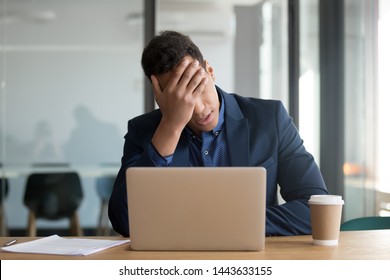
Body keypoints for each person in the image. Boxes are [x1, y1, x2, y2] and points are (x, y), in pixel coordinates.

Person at [108, 30, 328, 237]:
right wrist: (171, 127)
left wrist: (232, 222)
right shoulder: (144, 131)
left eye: (198, 88)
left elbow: (316, 208)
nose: (199, 109)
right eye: (181, 98)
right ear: (162, 98)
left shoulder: (270, 119)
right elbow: (124, 221)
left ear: (210, 72)